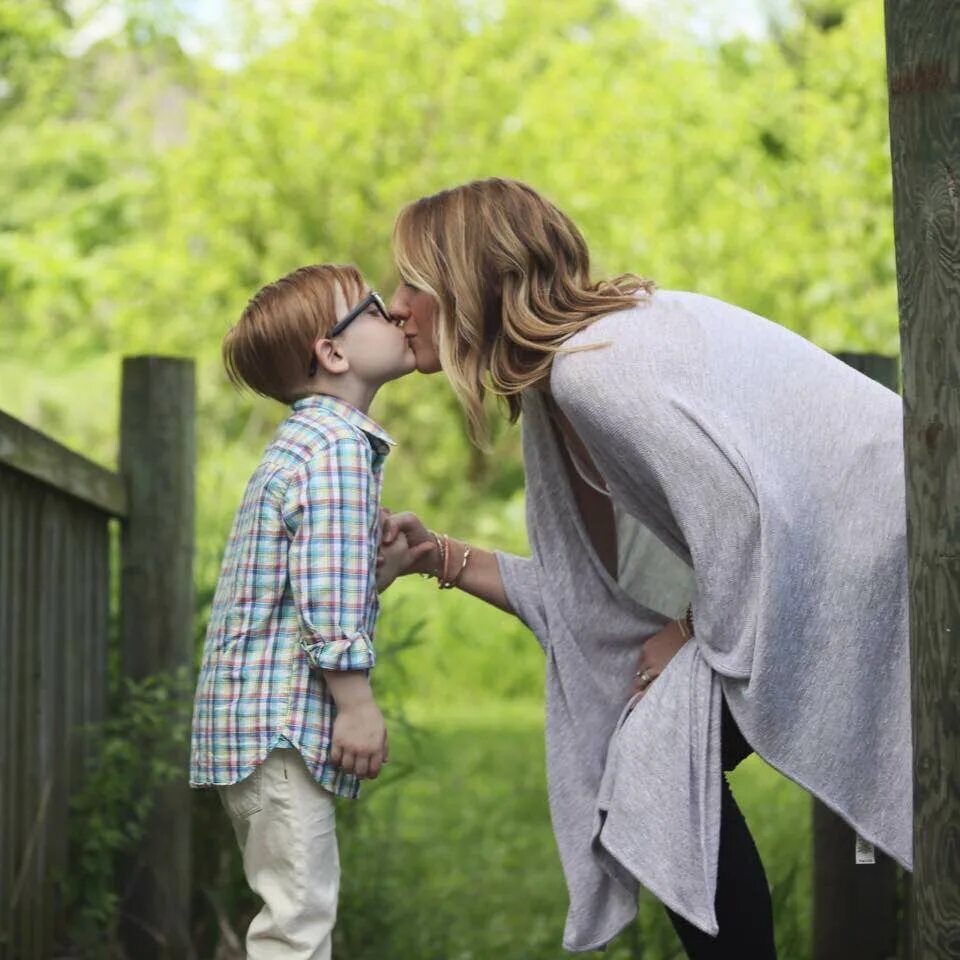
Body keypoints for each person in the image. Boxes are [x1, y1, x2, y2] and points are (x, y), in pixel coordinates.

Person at [382, 178, 912, 957]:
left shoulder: (594, 370)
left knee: (654, 763)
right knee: (652, 760)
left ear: (471, 282)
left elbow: (742, 518)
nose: (393, 304)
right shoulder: (563, 382)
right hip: (848, 546)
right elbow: (588, 601)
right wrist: (443, 557)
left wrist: (687, 632)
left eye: (410, 283)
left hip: (884, 540)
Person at [189, 263, 430, 960]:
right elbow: (324, 596)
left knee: (292, 910)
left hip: (261, 728)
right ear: (334, 352)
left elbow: (313, 582)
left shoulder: (310, 444)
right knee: (298, 924)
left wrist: (382, 567)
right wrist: (355, 703)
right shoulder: (336, 453)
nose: (398, 318)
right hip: (283, 727)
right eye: (378, 310)